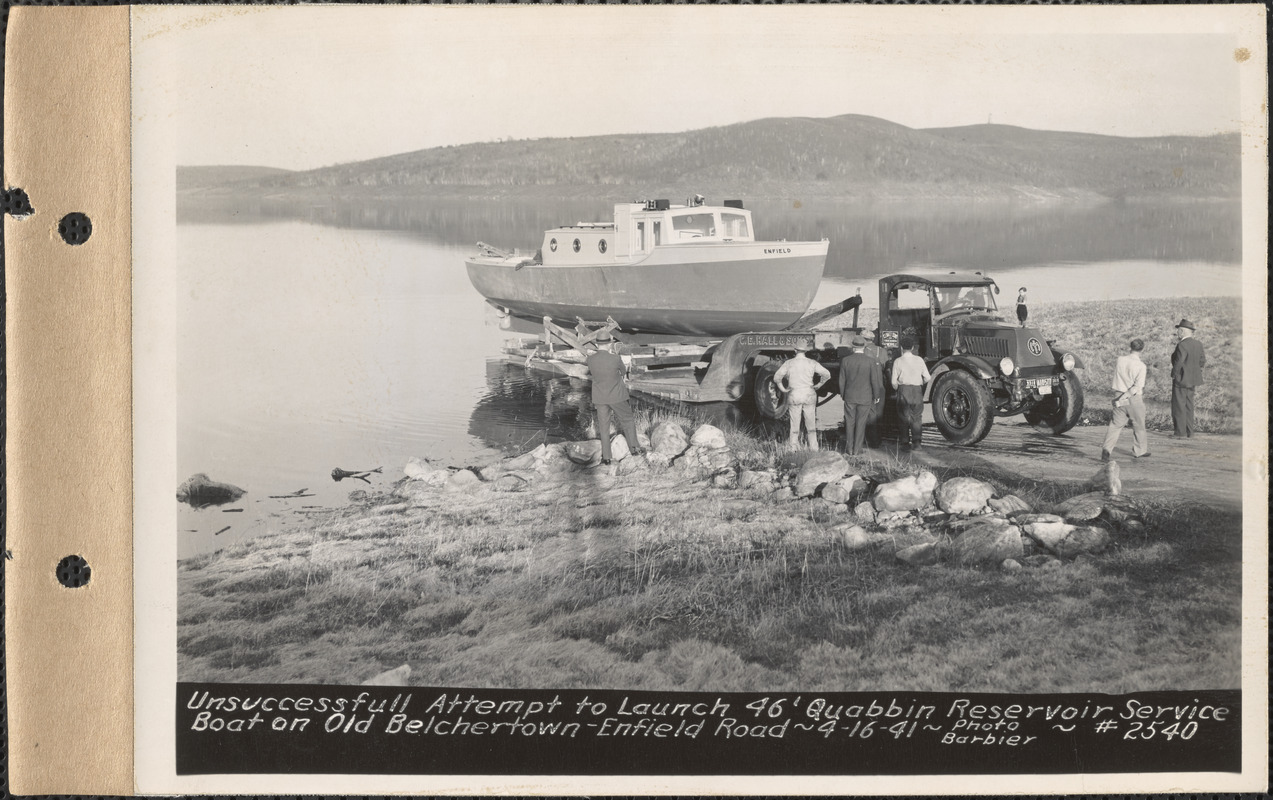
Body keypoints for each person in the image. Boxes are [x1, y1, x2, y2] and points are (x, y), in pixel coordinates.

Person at [584, 332, 644, 465]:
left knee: (604, 427)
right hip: (617, 396)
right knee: (627, 420)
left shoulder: (590, 359)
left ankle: (606, 458)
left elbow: (593, 373)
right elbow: (623, 372)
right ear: (609, 343)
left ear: (597, 344)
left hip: (600, 398)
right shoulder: (615, 358)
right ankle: (634, 449)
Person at [1100, 338, 1149, 460]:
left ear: (1130, 347)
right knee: (1139, 425)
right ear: (1142, 349)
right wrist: (1126, 395)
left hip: (1118, 395)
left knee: (1115, 425)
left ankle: (1107, 449)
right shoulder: (1141, 366)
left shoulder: (1120, 360)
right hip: (1133, 398)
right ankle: (1139, 451)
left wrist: (1120, 397)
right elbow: (1137, 386)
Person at [773, 349, 831, 449]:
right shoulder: (812, 362)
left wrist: (783, 389)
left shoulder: (789, 363)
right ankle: (813, 448)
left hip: (794, 394)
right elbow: (827, 374)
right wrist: (819, 385)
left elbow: (776, 378)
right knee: (811, 425)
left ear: (795, 350)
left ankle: (794, 448)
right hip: (809, 394)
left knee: (794, 425)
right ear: (805, 351)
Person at [838, 335, 883, 456]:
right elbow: (875, 380)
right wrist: (876, 395)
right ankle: (857, 449)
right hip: (865, 397)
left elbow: (842, 381)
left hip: (849, 396)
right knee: (861, 423)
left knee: (849, 422)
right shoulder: (870, 361)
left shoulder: (845, 360)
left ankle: (849, 449)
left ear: (853, 347)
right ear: (864, 347)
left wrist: (843, 395)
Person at [891, 336, 931, 450]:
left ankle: (904, 444)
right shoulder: (919, 360)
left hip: (903, 390)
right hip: (917, 390)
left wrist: (897, 389)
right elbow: (928, 377)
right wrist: (919, 383)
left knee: (903, 417)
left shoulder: (898, 361)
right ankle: (917, 443)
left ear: (902, 347)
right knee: (917, 417)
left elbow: (893, 382)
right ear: (913, 347)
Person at [1170, 318, 1206, 438]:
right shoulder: (1198, 344)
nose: (1177, 334)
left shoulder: (1182, 345)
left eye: (1179, 331)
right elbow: (1202, 361)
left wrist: (1174, 375)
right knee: (1189, 406)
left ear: (1183, 332)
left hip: (1181, 380)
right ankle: (1190, 432)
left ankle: (1180, 433)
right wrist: (1193, 371)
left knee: (1178, 406)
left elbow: (1178, 362)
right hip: (1193, 380)